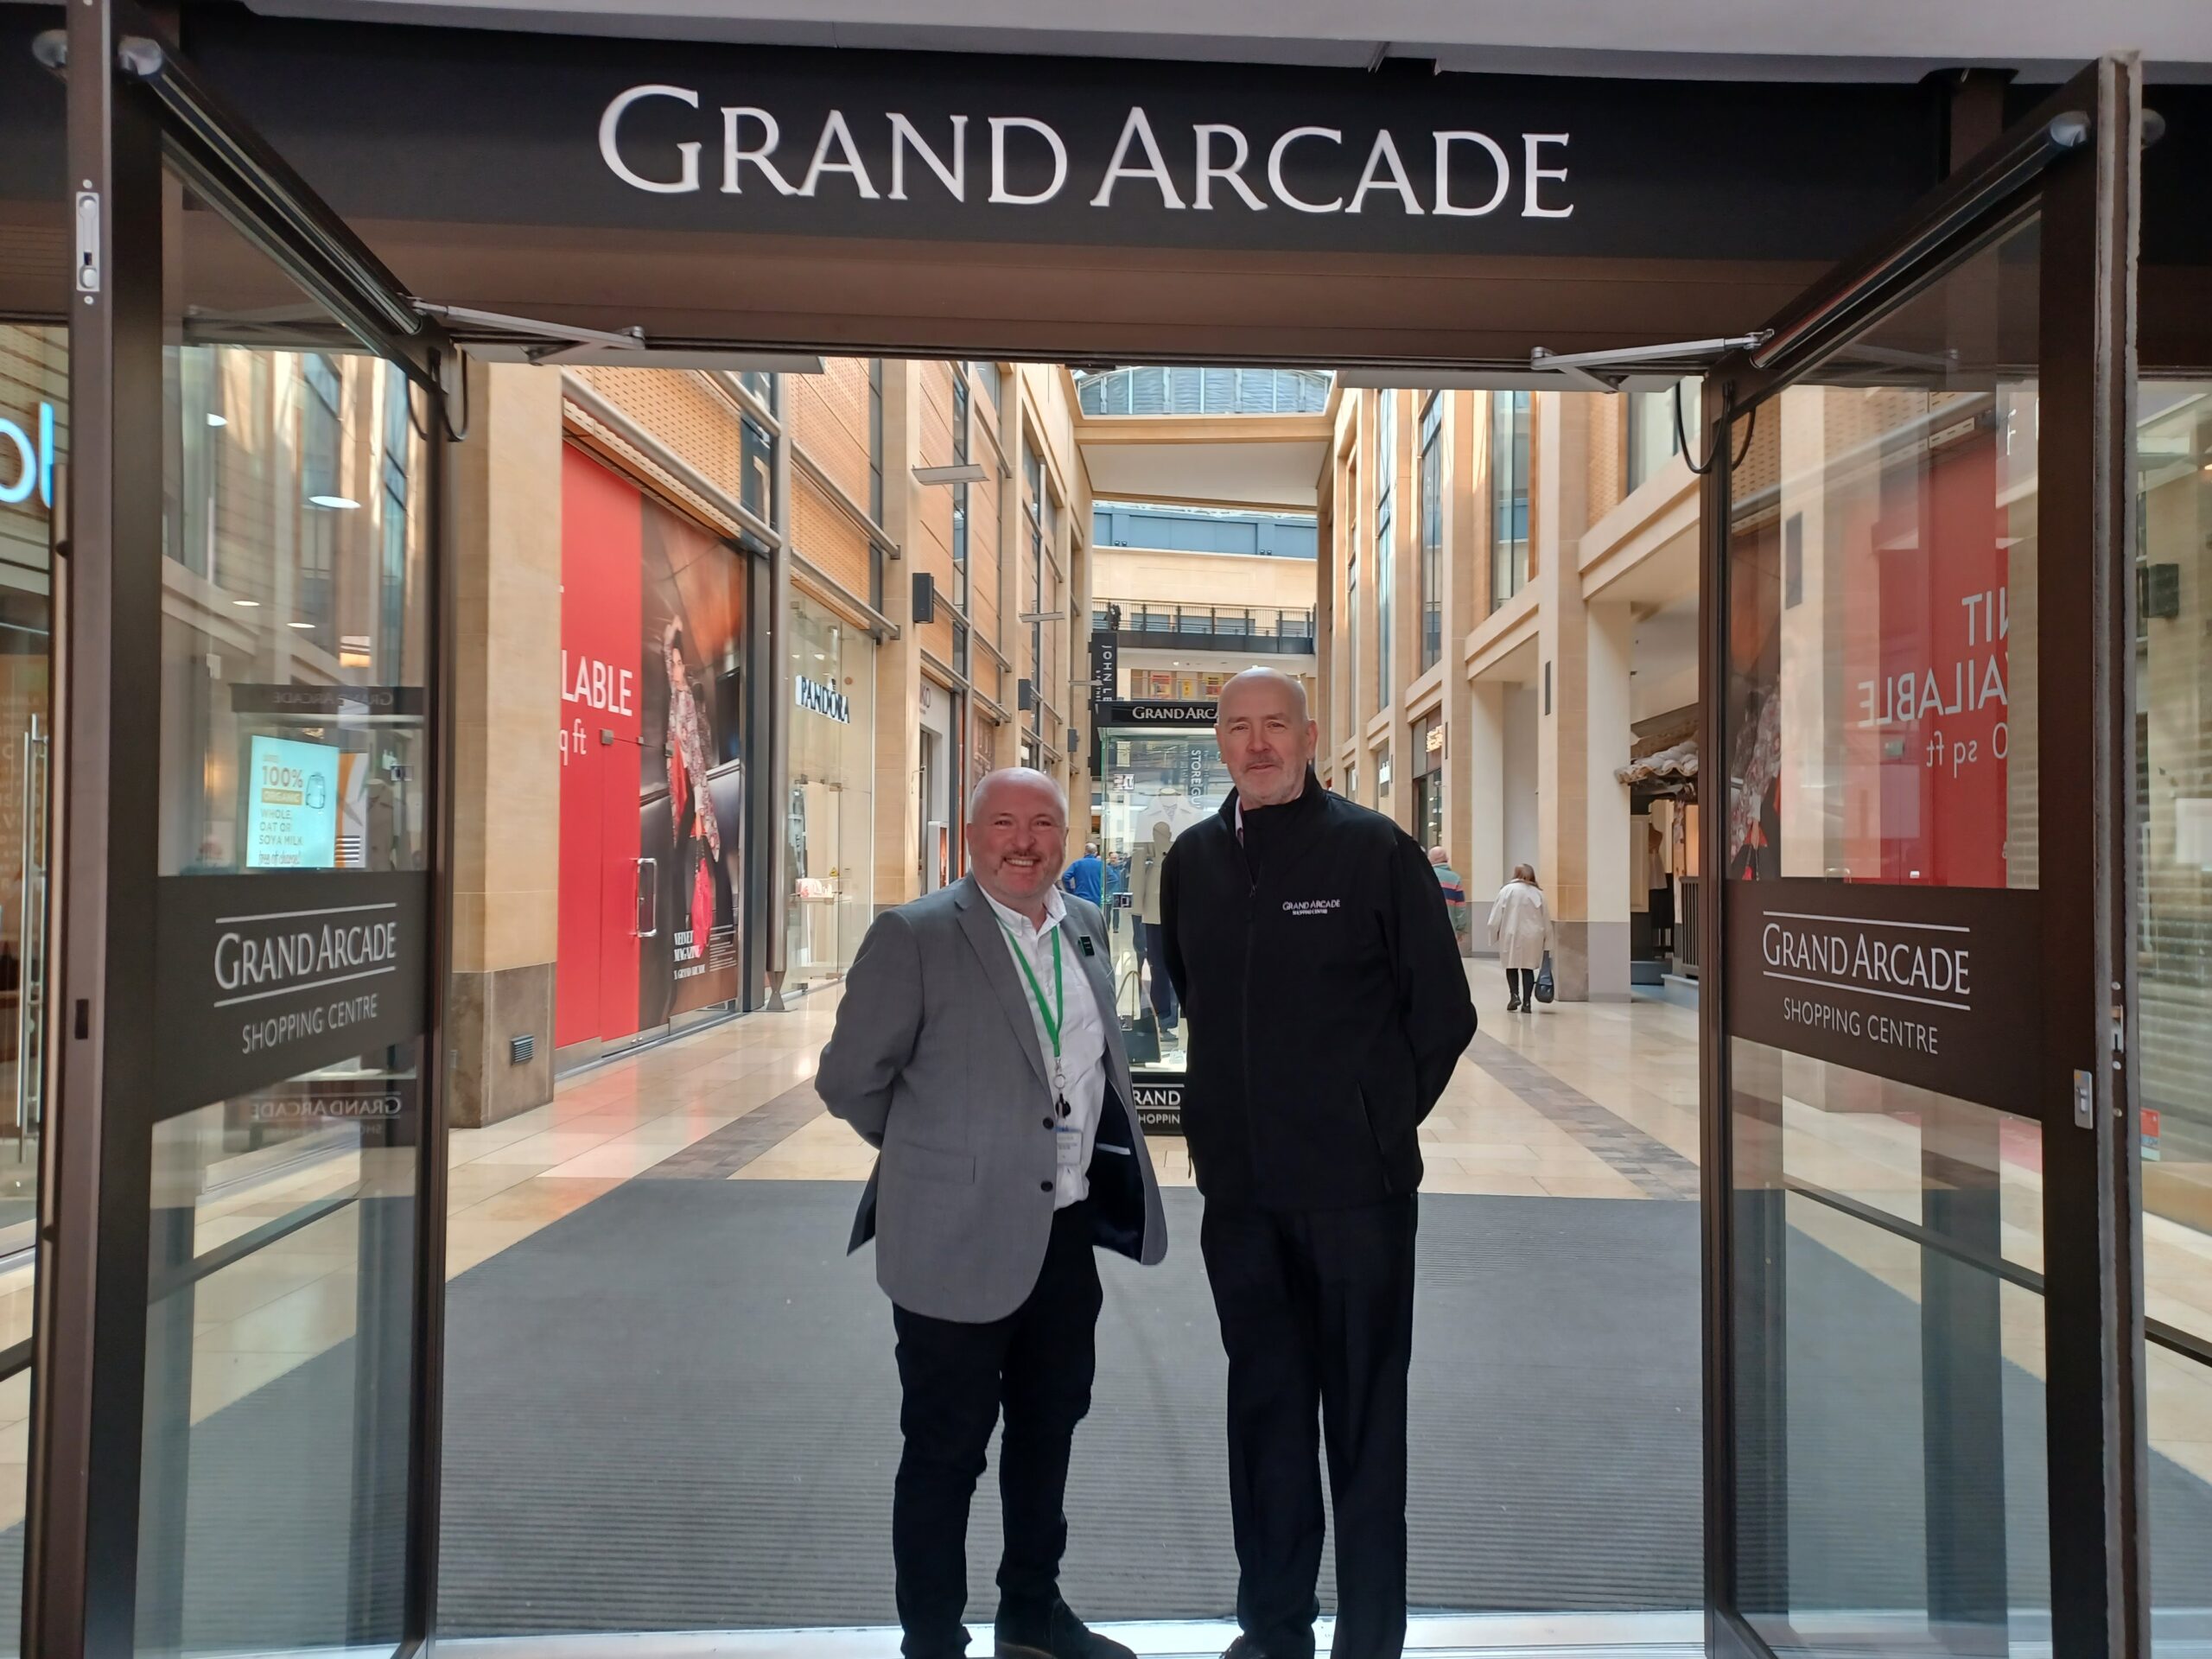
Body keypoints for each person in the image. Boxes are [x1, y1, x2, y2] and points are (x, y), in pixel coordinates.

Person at [817, 768, 1170, 1659]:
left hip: (1064, 1236)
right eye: (1004, 823)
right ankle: (931, 1638)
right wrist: (941, 1159)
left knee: (1049, 1431)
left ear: (1065, 837)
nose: (1025, 841)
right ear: (970, 837)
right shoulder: (916, 935)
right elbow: (850, 1081)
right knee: (945, 1451)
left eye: (1043, 824)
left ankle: (1030, 1613)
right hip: (950, 1242)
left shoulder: (1085, 928)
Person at [1160, 669, 1477, 1659]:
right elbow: (1192, 993)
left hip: (1358, 1204)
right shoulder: (1193, 861)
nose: (1257, 745)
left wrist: (1373, 1126)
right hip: (1242, 1203)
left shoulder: (1374, 851)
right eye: (1238, 728)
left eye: (1275, 727)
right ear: (1219, 741)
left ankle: (1371, 1636)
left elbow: (1444, 1015)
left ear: (1310, 733)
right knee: (1264, 1418)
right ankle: (1272, 1625)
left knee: (1366, 1428)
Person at [1487, 864, 1553, 1011]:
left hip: (1511, 933)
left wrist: (1493, 933)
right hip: (1533, 935)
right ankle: (1527, 1003)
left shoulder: (1506, 891)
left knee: (1511, 965)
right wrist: (1548, 941)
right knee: (1527, 967)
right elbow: (1546, 918)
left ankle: (1514, 996)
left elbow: (1496, 916)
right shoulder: (1538, 893)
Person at [1426, 845, 1470, 947]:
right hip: (1449, 929)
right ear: (1446, 859)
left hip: (1426, 928)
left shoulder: (1422, 875)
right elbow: (1460, 907)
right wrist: (1460, 929)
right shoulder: (1455, 878)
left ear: (1430, 859)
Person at [1060, 839, 1104, 906]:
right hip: (1097, 898)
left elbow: (1065, 876)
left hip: (1081, 897)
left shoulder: (1077, 863)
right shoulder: (1101, 864)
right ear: (1096, 853)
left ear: (1085, 852)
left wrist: (1071, 891)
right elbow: (1113, 878)